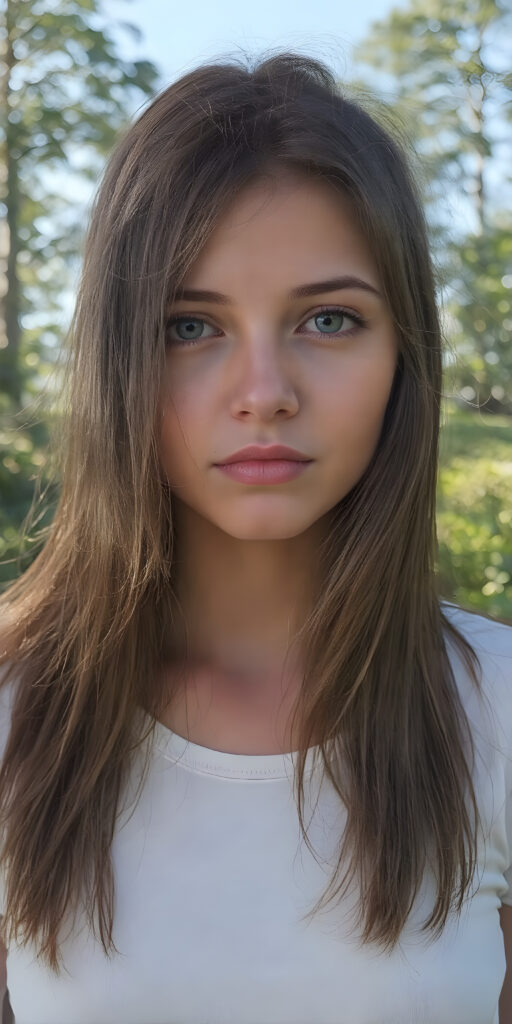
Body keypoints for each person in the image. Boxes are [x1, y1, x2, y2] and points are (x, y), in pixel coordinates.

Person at [0, 49, 511, 1024]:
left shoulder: (493, 705)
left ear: (404, 355)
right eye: (190, 328)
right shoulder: (15, 711)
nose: (264, 392)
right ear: (118, 359)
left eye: (327, 318)